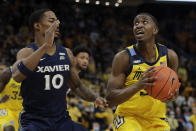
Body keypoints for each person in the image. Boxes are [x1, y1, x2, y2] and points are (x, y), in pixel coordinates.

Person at [12, 9, 107, 131]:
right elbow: (17, 76)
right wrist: (45, 46)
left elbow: (77, 86)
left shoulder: (66, 53)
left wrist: (95, 97)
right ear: (37, 26)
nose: (57, 23)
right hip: (35, 121)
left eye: (57, 20)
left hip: (62, 121)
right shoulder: (27, 52)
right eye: (52, 21)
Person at [106, 13, 179, 131]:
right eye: (136, 23)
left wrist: (171, 96)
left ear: (155, 30)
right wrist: (138, 85)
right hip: (128, 117)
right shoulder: (123, 58)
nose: (139, 25)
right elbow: (110, 100)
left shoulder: (170, 56)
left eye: (144, 22)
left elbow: (172, 91)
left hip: (156, 119)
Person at [0, 66, 22, 131]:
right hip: (6, 109)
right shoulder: (7, 74)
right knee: (9, 128)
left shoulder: (33, 75)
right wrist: (0, 100)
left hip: (21, 110)